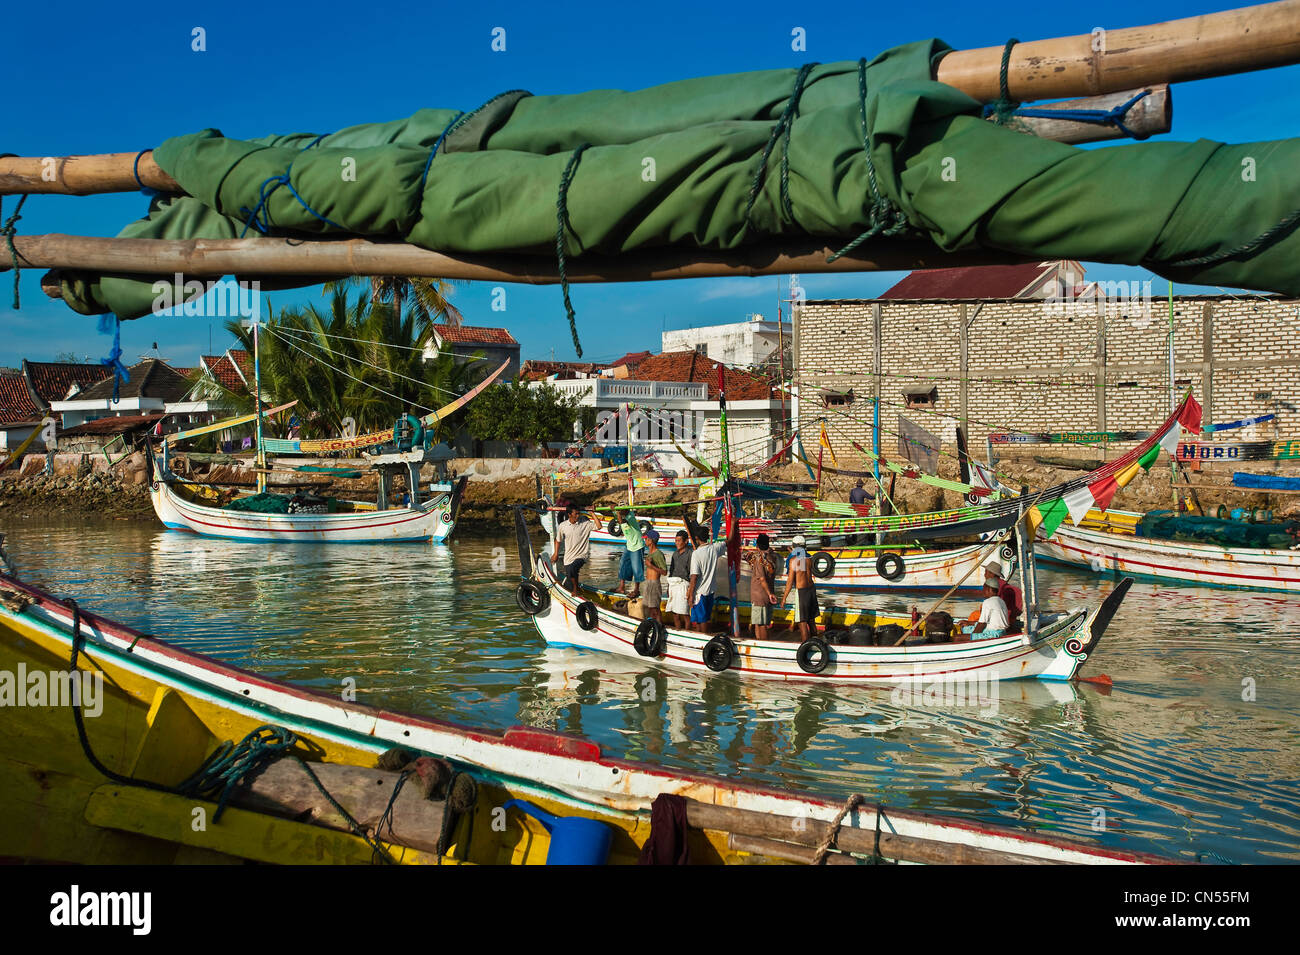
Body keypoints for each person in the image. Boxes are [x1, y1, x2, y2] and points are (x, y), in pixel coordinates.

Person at [686, 525, 728, 633]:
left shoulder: (696, 554)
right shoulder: (714, 548)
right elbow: (728, 541)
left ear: (696, 538)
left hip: (700, 592)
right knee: (703, 619)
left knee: (702, 620)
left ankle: (703, 640)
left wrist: (690, 594)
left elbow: (694, 577)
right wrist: (732, 524)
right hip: (711, 590)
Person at [779, 541, 819, 642]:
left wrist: (784, 598)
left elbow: (790, 581)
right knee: (811, 621)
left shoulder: (794, 561)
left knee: (802, 623)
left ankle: (805, 649)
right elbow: (802, 566)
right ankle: (816, 644)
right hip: (811, 590)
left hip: (802, 592)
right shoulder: (809, 559)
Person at [551, 502, 593, 595]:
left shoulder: (584, 523)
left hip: (582, 555)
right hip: (568, 557)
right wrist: (556, 554)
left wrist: (592, 513)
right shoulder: (563, 525)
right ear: (569, 514)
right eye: (576, 514)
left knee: (573, 569)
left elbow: (599, 526)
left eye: (579, 513)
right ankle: (575, 588)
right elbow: (558, 540)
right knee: (571, 574)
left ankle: (575, 589)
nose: (578, 516)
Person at [747, 533, 779, 639]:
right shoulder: (772, 557)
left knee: (761, 625)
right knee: (759, 623)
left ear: (757, 545)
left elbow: (762, 579)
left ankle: (763, 645)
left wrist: (769, 594)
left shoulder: (758, 559)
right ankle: (759, 643)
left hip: (760, 595)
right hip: (768, 593)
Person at [615, 508, 646, 600]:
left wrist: (617, 513)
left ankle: (636, 590)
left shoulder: (630, 517)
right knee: (623, 564)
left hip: (637, 544)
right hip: (629, 544)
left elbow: (621, 521)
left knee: (637, 568)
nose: (620, 512)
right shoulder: (623, 514)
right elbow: (615, 516)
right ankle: (621, 587)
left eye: (621, 510)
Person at [666, 530, 693, 629]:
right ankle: (677, 630)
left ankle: (687, 631)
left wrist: (690, 590)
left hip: (684, 585)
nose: (677, 543)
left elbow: (692, 572)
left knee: (684, 612)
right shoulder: (675, 554)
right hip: (674, 584)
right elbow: (671, 571)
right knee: (674, 612)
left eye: (679, 540)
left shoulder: (690, 554)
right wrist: (668, 587)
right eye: (676, 541)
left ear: (686, 541)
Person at [642, 529, 667, 621]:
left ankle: (659, 626)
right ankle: (651, 625)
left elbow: (664, 572)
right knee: (648, 607)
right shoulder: (650, 552)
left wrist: (651, 566)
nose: (645, 541)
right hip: (648, 583)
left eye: (646, 539)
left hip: (654, 584)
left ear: (651, 541)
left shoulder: (658, 554)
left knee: (655, 609)